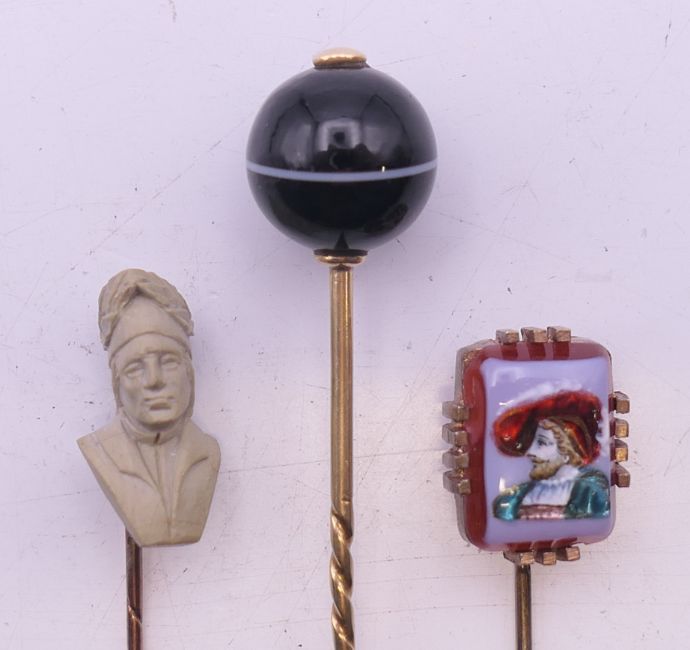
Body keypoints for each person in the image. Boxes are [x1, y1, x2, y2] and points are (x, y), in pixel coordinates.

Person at [78, 269, 220, 546]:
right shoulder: (99, 450)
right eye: (134, 368)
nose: (154, 381)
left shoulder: (208, 451)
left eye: (168, 361)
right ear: (116, 383)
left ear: (189, 373)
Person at [492, 391, 610, 521]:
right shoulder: (513, 498)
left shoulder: (589, 495)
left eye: (541, 442)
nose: (529, 452)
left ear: (567, 452)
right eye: (531, 442)